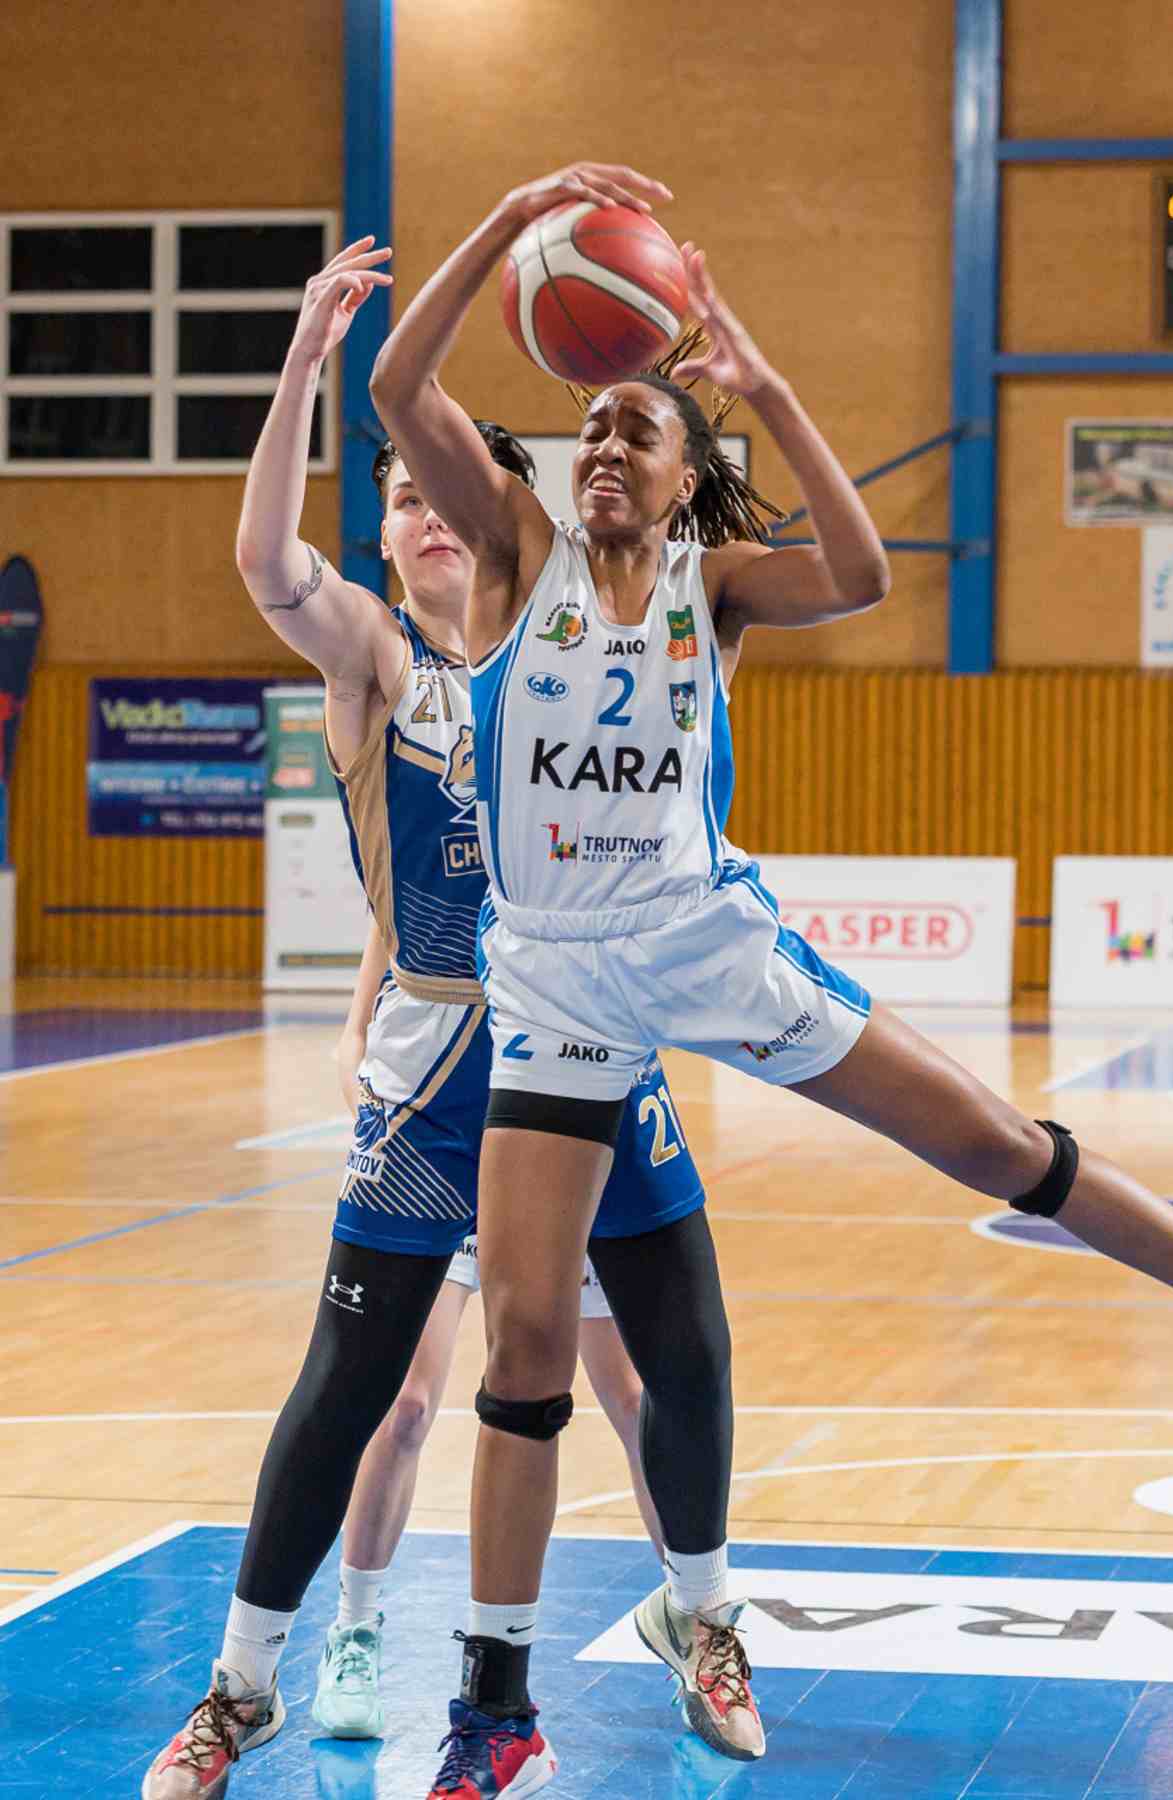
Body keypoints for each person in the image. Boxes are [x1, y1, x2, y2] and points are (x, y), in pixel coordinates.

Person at [369, 158, 1173, 1797]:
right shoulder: (515, 554)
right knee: (524, 1346)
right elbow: (399, 384)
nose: (605, 449)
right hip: (557, 985)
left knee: (993, 1146)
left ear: (690, 482)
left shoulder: (716, 589)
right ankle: (494, 1711)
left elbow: (868, 575)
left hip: (708, 945)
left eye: (640, 432)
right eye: (590, 429)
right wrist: (516, 218)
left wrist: (766, 386)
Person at [142, 237, 724, 1800]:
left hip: (584, 1041)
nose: (426, 514)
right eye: (397, 500)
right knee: (357, 1387)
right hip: (435, 1066)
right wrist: (302, 363)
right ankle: (244, 1685)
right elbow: (264, 562)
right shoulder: (376, 661)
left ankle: (702, 1615)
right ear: (390, 542)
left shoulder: (568, 637)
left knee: (646, 1370)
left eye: (445, 492)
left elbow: (677, 534)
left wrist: (694, 378)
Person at [310, 913, 663, 1743]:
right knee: (403, 1406)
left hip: (555, 1165)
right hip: (441, 1163)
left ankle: (697, 1620)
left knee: (632, 1398)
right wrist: (380, 1108)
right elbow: (357, 1031)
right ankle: (353, 1632)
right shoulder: (422, 876)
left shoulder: (572, 888)